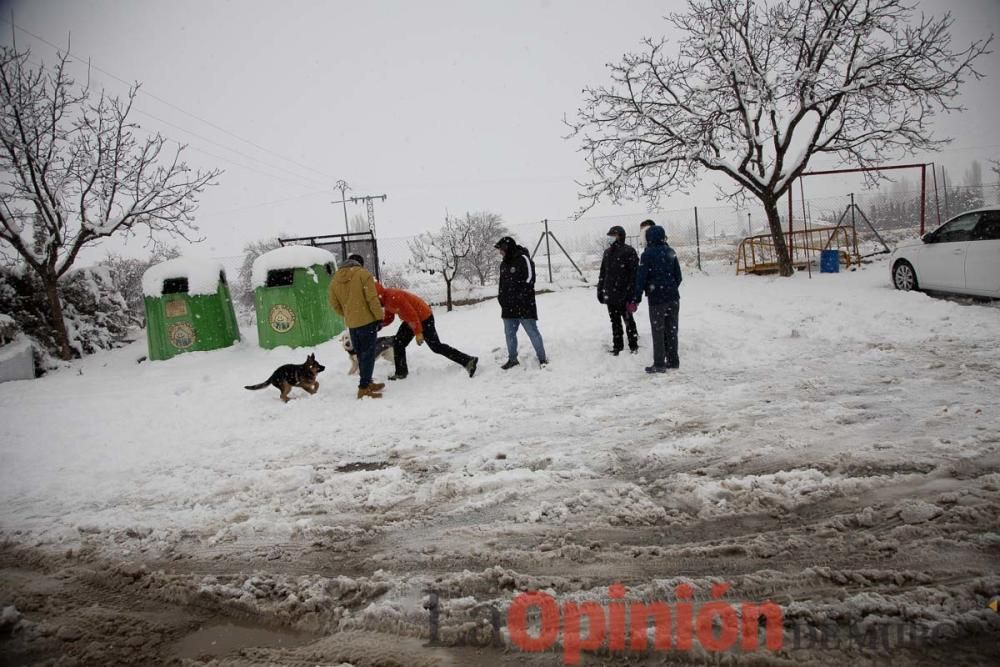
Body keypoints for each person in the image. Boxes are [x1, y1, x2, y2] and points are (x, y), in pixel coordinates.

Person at [375, 282, 478, 380]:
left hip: (424, 317)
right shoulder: (385, 299)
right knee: (398, 343)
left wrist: (418, 333)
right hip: (411, 320)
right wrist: (379, 325)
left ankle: (468, 360)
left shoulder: (393, 297)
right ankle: (401, 372)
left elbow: (412, 314)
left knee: (436, 346)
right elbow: (389, 317)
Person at [329, 254, 386, 398]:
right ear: (359, 264)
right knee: (368, 355)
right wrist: (379, 317)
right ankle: (363, 388)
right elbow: (372, 298)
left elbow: (334, 304)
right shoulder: (363, 274)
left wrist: (348, 314)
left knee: (361, 355)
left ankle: (367, 382)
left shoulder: (335, 280)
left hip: (352, 324)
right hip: (367, 321)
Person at [633, 224, 682, 373]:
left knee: (658, 331)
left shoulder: (647, 255)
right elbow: (678, 277)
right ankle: (673, 361)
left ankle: (659, 363)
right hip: (673, 298)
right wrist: (671, 288)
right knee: (672, 330)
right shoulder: (671, 251)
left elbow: (641, 278)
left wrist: (637, 297)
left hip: (657, 300)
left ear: (649, 238)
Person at [495, 236, 547, 369]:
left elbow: (530, 279)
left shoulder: (523, 259)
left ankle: (542, 359)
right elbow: (501, 284)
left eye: (501, 249)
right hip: (508, 307)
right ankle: (512, 359)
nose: (500, 252)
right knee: (509, 334)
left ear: (508, 248)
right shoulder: (503, 264)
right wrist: (501, 297)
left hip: (524, 306)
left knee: (533, 333)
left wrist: (520, 297)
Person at [597, 225, 639, 355]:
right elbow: (603, 273)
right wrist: (600, 289)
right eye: (609, 235)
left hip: (624, 294)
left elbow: (634, 274)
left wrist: (631, 293)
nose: (609, 238)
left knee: (628, 320)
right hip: (610, 294)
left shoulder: (629, 251)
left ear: (620, 236)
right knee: (614, 321)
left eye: (612, 235)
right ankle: (617, 346)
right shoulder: (607, 252)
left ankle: (633, 346)